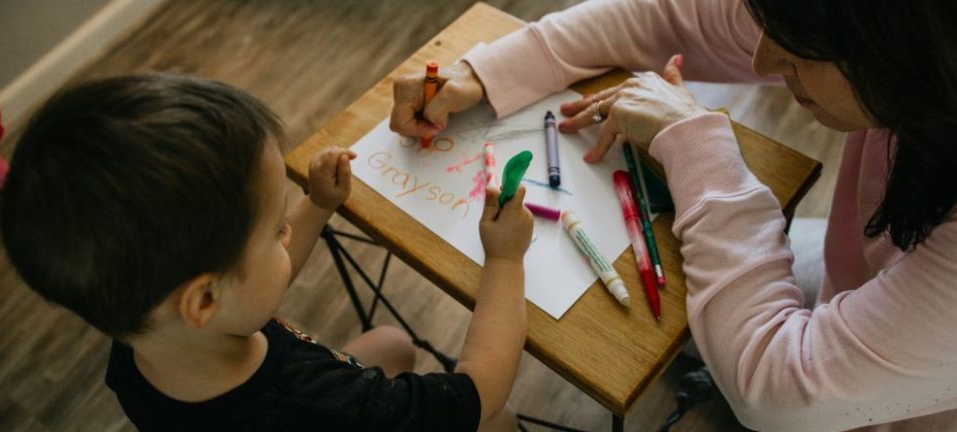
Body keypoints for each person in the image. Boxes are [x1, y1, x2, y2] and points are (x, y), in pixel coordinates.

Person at [390, 0, 957, 430]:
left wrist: (696, 147)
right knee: (695, 322)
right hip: (858, 277)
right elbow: (669, 15)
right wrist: (482, 74)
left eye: (797, 47)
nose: (761, 58)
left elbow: (778, 390)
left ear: (904, 48)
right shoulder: (911, 49)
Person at [0, 73, 534, 431]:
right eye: (277, 229)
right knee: (503, 421)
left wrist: (317, 205)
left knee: (392, 344)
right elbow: (479, 390)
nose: (287, 232)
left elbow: (247, 288)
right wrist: (506, 260)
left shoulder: (143, 337)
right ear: (203, 299)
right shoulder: (320, 402)